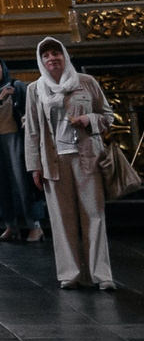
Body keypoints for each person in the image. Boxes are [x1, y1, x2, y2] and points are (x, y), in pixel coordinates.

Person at [27, 37, 119, 291]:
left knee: (94, 215)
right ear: (41, 60)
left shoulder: (85, 82)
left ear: (64, 56)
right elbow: (32, 131)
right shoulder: (35, 89)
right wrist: (35, 166)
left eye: (56, 53)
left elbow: (107, 115)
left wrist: (88, 120)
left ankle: (101, 274)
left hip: (88, 156)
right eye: (46, 55)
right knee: (61, 218)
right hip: (54, 161)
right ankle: (71, 273)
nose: (52, 59)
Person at [0, 59, 41, 244]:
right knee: (2, 183)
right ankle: (11, 225)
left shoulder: (17, 86)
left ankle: (34, 226)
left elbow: (29, 110)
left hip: (17, 139)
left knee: (22, 182)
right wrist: (0, 99)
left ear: (3, 69)